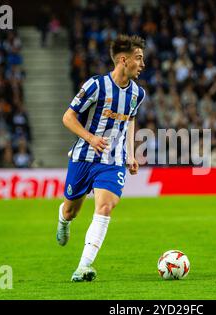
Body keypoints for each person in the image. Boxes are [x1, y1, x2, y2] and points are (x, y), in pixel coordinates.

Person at [57, 35, 146, 282]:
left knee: (105, 206)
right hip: (84, 157)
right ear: (123, 59)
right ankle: (63, 220)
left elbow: (130, 120)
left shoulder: (138, 93)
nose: (142, 64)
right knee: (71, 210)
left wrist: (130, 153)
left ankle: (83, 266)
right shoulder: (96, 85)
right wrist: (90, 138)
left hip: (113, 161)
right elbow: (68, 117)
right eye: (138, 58)